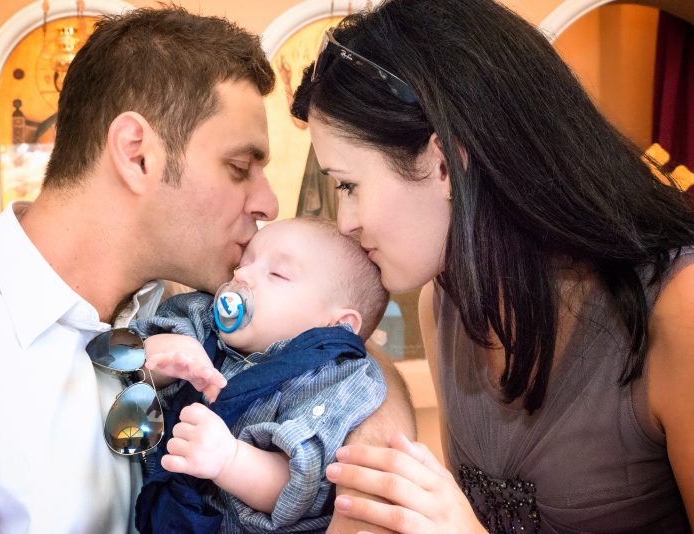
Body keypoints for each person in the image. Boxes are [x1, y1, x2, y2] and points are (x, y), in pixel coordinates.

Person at [0, 7, 414, 533]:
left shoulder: (183, 307)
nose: (269, 202)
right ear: (137, 155)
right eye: (239, 167)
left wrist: (372, 453)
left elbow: (328, 341)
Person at [290, 0, 694, 532]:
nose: (344, 221)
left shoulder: (679, 310)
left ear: (445, 163)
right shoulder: (446, 305)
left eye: (348, 185)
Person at [117, 217, 389, 532]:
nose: (243, 275)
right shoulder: (201, 320)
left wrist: (230, 460)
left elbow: (301, 483)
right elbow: (135, 363)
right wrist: (168, 354)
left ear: (336, 326)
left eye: (277, 274)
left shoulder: (331, 380)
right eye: (244, 263)